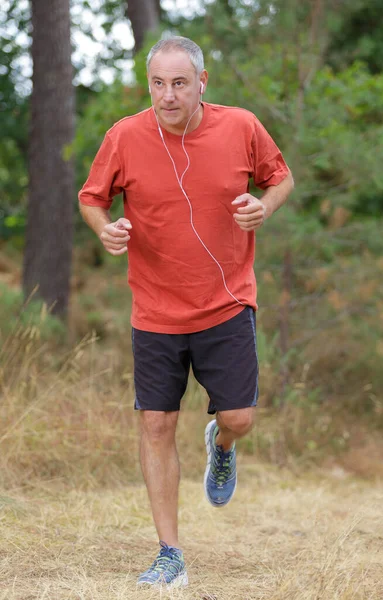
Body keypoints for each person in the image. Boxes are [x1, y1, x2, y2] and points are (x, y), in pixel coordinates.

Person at [78, 36, 294, 588]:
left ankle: (221, 446)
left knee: (240, 418)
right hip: (154, 309)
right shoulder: (124, 137)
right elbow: (91, 198)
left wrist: (261, 207)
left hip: (226, 302)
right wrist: (107, 230)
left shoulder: (241, 126)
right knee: (156, 423)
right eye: (157, 83)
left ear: (202, 81)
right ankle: (169, 552)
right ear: (148, 84)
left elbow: (280, 177)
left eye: (179, 83)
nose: (167, 95)